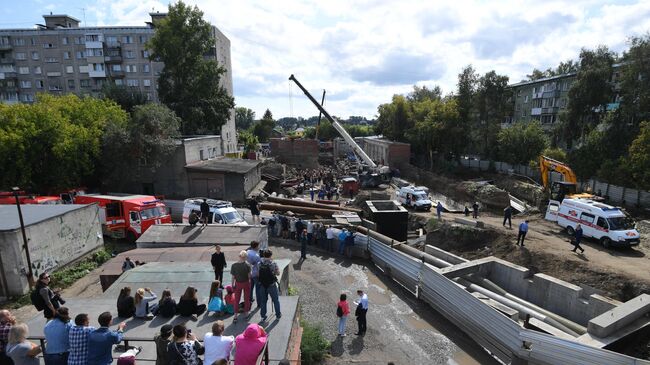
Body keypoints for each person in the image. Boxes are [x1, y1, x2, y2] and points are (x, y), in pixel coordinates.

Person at [258, 250, 282, 322]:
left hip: (262, 285)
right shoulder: (273, 263)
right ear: (271, 255)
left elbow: (259, 274)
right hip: (271, 285)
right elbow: (278, 273)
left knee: (263, 301)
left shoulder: (260, 263)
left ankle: (263, 316)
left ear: (264, 255)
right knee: (275, 300)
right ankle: (278, 315)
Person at [230, 251, 252, 322]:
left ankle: (235, 315)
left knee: (237, 300)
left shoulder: (234, 265)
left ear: (239, 256)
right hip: (246, 283)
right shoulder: (248, 265)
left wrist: (232, 284)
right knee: (246, 299)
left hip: (238, 283)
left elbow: (233, 277)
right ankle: (246, 314)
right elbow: (249, 276)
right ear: (245, 257)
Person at [246, 241, 262, 307]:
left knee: (250, 287)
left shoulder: (248, 252)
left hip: (249, 272)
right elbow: (259, 266)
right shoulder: (256, 256)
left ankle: (250, 299)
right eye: (258, 246)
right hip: (255, 273)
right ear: (256, 246)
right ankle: (259, 303)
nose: (259, 247)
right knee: (258, 289)